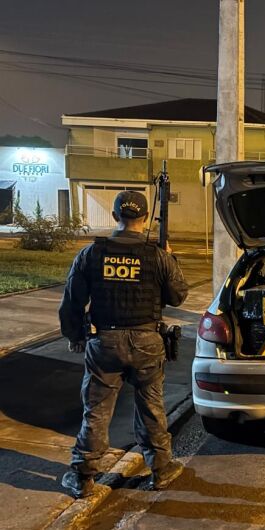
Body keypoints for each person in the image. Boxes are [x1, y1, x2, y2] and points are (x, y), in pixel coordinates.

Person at [59, 190, 189, 498]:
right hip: (147, 341)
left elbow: (72, 301)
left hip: (104, 342)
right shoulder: (157, 254)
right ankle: (160, 469)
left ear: (116, 217)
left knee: (97, 410)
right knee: (151, 406)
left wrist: (74, 336)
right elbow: (178, 296)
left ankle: (83, 476)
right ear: (144, 219)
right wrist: (170, 256)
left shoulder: (92, 253)